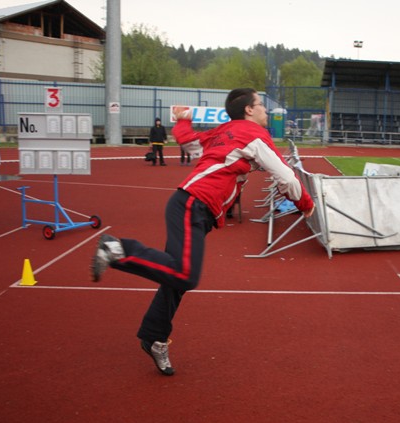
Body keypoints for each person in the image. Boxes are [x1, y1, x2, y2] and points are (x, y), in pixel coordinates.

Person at [90, 88, 315, 376]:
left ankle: (155, 337)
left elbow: (189, 144)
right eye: (261, 105)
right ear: (248, 110)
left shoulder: (223, 133)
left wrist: (183, 121)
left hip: (193, 207)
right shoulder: (253, 134)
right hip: (192, 204)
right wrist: (306, 204)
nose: (265, 111)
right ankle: (117, 250)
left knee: (176, 277)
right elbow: (284, 176)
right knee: (186, 275)